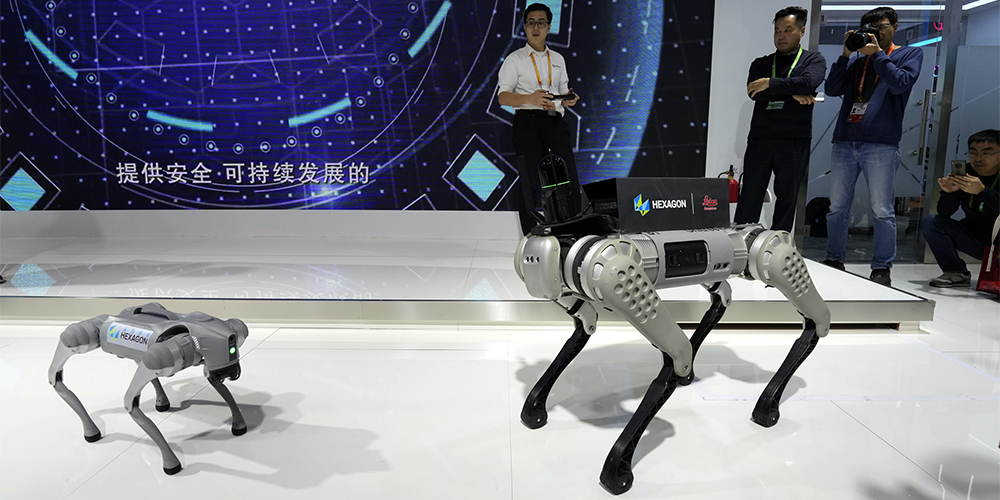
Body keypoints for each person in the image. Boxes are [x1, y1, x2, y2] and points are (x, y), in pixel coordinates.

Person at [822, 6, 923, 287]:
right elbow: (832, 89)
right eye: (870, 29)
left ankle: (881, 267)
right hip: (845, 141)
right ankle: (834, 259)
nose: (876, 33)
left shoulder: (909, 54)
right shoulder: (858, 61)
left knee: (882, 209)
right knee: (837, 207)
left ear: (895, 26)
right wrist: (845, 55)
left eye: (881, 27)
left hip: (881, 144)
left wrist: (878, 54)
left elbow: (899, 83)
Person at [734, 6, 826, 233]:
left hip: (794, 140)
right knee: (750, 195)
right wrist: (792, 93)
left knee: (787, 198)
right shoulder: (761, 64)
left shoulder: (813, 59)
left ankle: (778, 245)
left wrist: (770, 84)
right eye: (777, 30)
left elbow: (809, 83)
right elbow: (754, 92)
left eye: (787, 30)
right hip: (761, 139)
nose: (781, 36)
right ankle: (742, 242)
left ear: (802, 31)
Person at [497, 3, 581, 234]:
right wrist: (530, 98)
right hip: (528, 123)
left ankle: (572, 230)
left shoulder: (558, 59)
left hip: (556, 122)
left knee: (569, 179)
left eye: (541, 23)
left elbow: (562, 90)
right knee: (529, 182)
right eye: (531, 23)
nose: (536, 28)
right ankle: (530, 235)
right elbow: (502, 97)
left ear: (549, 27)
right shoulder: (515, 59)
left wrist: (567, 99)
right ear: (525, 27)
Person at [921, 129, 1000, 287]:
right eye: (973, 152)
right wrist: (949, 193)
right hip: (978, 239)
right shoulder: (967, 173)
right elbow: (944, 213)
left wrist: (982, 192)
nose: (978, 158)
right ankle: (956, 272)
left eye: (987, 153)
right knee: (931, 222)